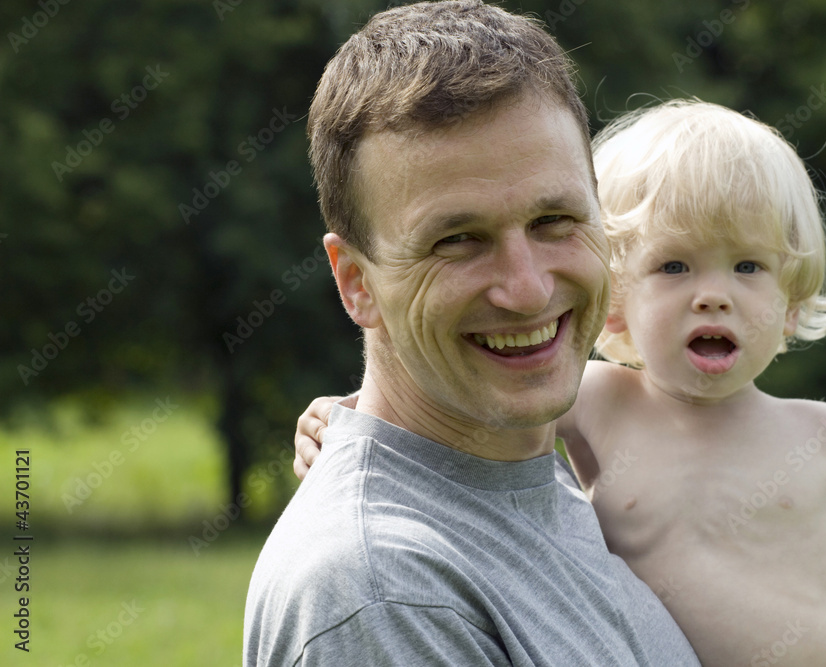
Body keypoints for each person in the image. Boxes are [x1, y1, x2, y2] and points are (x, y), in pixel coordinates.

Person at [293, 100, 826, 666]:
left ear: (790, 303)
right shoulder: (598, 401)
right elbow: (459, 406)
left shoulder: (824, 435)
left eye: (748, 266)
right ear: (613, 302)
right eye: (674, 266)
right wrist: (343, 417)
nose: (713, 296)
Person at [243, 2, 699, 665]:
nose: (529, 289)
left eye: (555, 220)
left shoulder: (547, 472)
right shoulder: (386, 592)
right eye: (457, 240)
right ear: (356, 283)